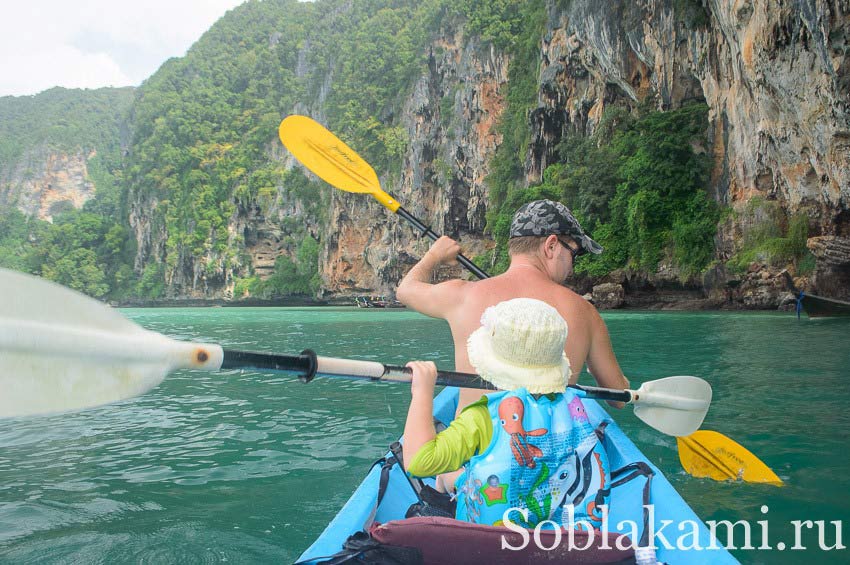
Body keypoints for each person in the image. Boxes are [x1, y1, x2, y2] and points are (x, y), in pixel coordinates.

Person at [396, 199, 629, 413]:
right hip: (550, 450)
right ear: (551, 245)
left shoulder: (463, 295)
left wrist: (434, 255)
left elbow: (405, 290)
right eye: (574, 254)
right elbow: (618, 397)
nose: (572, 266)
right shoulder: (584, 312)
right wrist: (591, 361)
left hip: (477, 451)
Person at [402, 298, 611, 529]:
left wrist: (422, 393)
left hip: (489, 540)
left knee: (452, 472)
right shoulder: (574, 409)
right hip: (556, 536)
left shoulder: (483, 417)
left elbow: (418, 462)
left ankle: (441, 493)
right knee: (461, 474)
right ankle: (447, 481)